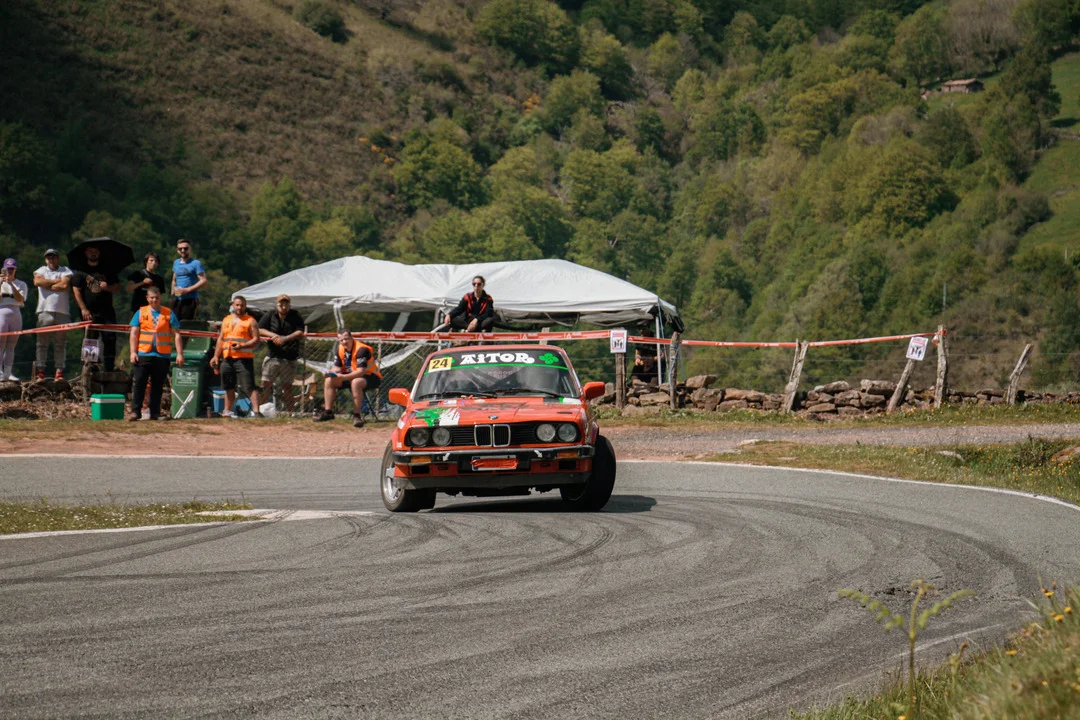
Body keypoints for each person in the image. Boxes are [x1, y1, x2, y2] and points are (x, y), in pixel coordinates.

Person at [127, 286, 184, 421]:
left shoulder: (168, 313)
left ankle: (155, 413)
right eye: (152, 297)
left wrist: (180, 353)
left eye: (157, 297)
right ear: (147, 298)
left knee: (157, 386)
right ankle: (135, 412)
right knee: (139, 383)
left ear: (160, 298)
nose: (154, 300)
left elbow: (177, 334)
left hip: (162, 355)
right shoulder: (140, 312)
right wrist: (133, 352)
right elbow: (134, 333)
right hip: (143, 353)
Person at [313, 329, 381, 427]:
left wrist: (343, 377)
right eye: (341, 340)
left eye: (346, 339)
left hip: (370, 377)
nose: (344, 342)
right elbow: (338, 367)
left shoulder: (361, 350)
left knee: (356, 382)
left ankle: (357, 416)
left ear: (351, 338)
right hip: (351, 376)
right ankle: (328, 412)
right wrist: (330, 372)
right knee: (329, 381)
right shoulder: (340, 349)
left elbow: (360, 372)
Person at [209, 295, 262, 418]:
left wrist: (242, 346)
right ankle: (227, 411)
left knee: (249, 386)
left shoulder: (250, 321)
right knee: (228, 386)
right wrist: (216, 356)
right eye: (237, 305)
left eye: (242, 305)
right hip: (227, 358)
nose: (239, 307)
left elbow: (256, 339)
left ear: (245, 306)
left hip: (244, 358)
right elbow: (221, 339)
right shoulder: (226, 320)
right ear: (233, 305)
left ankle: (256, 412)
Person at [72, 245, 122, 371]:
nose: (93, 253)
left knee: (110, 338)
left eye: (95, 251)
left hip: (107, 310)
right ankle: (90, 366)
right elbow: (76, 291)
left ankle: (109, 367)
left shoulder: (107, 269)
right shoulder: (80, 271)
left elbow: (117, 287)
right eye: (90, 251)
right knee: (90, 338)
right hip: (89, 311)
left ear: (99, 253)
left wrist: (107, 287)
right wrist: (83, 309)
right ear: (86, 253)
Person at [258, 294, 305, 414]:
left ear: (289, 305)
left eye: (286, 304)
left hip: (289, 357)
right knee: (265, 385)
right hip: (273, 356)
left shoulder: (295, 315)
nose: (284, 307)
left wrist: (286, 338)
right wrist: (273, 336)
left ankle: (291, 413)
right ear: (277, 305)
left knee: (287, 387)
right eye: (281, 304)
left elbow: (300, 331)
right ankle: (260, 412)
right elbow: (260, 329)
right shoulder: (270, 314)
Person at [32, 249, 74, 380]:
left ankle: (59, 371)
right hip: (44, 310)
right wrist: (56, 282)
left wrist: (48, 284)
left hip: (62, 312)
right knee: (42, 343)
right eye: (49, 257)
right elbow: (37, 282)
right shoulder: (41, 270)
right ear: (46, 259)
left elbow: (64, 285)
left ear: (58, 258)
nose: (51, 260)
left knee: (60, 343)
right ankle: (40, 371)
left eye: (53, 257)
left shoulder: (65, 270)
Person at [0, 258, 28, 381]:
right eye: (8, 269)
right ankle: (0, 372)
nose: (10, 271)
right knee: (1, 344)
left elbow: (21, 299)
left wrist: (11, 284)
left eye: (12, 269)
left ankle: (8, 372)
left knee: (11, 345)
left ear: (15, 270)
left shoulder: (21, 284)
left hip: (16, 312)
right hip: (1, 311)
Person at [171, 238, 208, 321]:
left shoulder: (196, 263)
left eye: (185, 248)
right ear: (177, 250)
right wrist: (172, 294)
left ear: (190, 249)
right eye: (180, 249)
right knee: (174, 324)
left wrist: (187, 290)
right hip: (177, 299)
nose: (183, 250)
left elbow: (204, 281)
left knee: (187, 324)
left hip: (190, 299)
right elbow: (174, 280)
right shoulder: (176, 263)